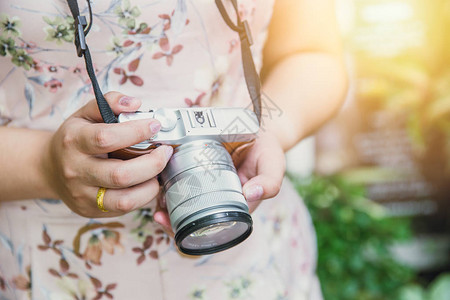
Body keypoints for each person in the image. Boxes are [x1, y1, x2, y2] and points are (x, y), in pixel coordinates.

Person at [0, 0, 347, 299]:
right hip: (51, 270)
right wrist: (44, 164)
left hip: (254, 257)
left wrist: (266, 131)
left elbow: (313, 52)